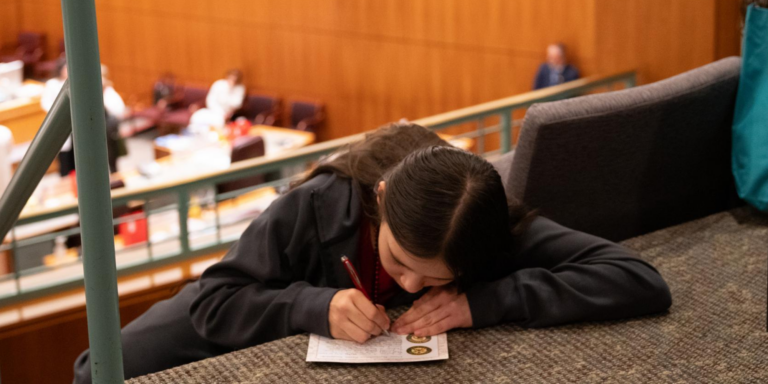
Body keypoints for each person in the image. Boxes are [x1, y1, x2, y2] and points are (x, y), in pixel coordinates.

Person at [73, 123, 672, 382]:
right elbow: (218, 300)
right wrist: (313, 307)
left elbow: (636, 279)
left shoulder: (483, 224)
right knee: (100, 369)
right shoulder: (317, 203)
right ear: (380, 203)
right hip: (232, 315)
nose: (410, 286)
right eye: (399, 259)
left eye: (436, 277)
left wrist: (482, 301)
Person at [40, 59, 76, 177]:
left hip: (75, 123)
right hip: (61, 122)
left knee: (77, 155)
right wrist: (59, 112)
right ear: (60, 70)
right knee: (64, 157)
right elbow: (45, 102)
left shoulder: (75, 81)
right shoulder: (52, 84)